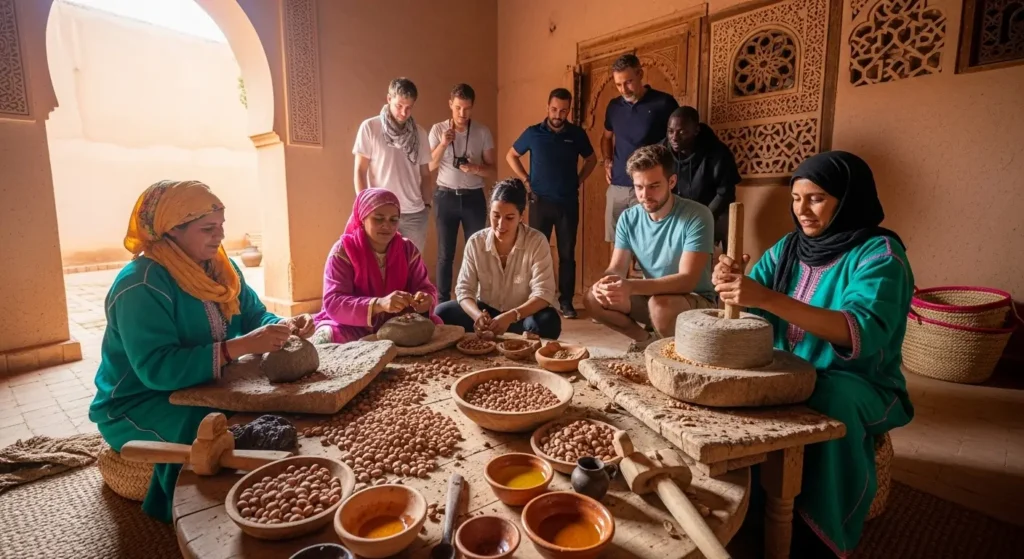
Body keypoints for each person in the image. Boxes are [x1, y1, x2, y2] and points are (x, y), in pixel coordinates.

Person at [712, 151, 914, 557]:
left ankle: (817, 532)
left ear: (847, 197)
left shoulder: (880, 256)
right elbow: (752, 304)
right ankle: (750, 504)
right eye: (795, 198)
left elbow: (860, 331)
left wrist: (766, 297)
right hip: (788, 368)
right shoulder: (791, 247)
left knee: (828, 400)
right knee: (729, 383)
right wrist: (733, 284)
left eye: (816, 198)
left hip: (855, 380)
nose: (801, 210)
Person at [89, 180, 314, 523]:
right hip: (140, 401)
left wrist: (283, 326)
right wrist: (238, 347)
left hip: (198, 385)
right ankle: (195, 519)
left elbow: (254, 316)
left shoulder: (220, 269)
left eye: (221, 227)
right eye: (207, 228)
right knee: (211, 431)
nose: (219, 236)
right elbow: (156, 368)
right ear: (170, 232)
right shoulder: (141, 285)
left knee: (270, 410)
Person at [585, 144, 716, 352]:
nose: (645, 194)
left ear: (671, 181)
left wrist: (630, 286)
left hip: (694, 302)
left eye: (654, 186)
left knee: (660, 306)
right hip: (652, 297)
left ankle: (675, 352)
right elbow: (616, 268)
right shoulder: (628, 218)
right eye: (639, 187)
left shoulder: (697, 215)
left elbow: (687, 280)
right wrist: (606, 283)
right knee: (592, 298)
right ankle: (646, 341)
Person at [507, 87, 597, 319]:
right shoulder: (533, 133)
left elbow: (591, 159)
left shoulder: (576, 134)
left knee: (567, 254)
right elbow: (511, 155)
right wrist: (526, 179)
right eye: (554, 109)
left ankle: (566, 302)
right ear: (548, 107)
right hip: (539, 202)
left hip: (567, 203)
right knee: (537, 253)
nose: (558, 115)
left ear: (569, 111)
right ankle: (535, 300)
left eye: (563, 111)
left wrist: (578, 180)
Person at [435, 178, 561, 339]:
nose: (501, 225)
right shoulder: (476, 242)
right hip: (487, 312)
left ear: (521, 216)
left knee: (548, 321)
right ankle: (483, 331)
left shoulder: (536, 241)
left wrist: (511, 316)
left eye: (509, 218)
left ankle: (520, 340)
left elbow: (544, 293)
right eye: (496, 216)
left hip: (520, 315)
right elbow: (464, 289)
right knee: (442, 313)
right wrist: (477, 316)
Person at [311, 188, 440, 344]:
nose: (387, 225)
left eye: (394, 220)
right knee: (327, 337)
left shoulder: (408, 250)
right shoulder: (344, 252)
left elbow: (425, 287)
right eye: (378, 219)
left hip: (399, 321)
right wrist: (378, 304)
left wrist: (426, 300)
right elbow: (334, 301)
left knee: (436, 325)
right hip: (355, 325)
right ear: (362, 218)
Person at [428, 83, 496, 303]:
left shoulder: (482, 131)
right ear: (450, 104)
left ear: (472, 107)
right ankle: (443, 303)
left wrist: (475, 168)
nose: (462, 113)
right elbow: (429, 165)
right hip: (445, 196)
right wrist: (443, 144)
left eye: (466, 108)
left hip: (473, 197)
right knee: (444, 254)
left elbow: (491, 168)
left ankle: (474, 301)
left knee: (476, 252)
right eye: (458, 108)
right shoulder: (438, 129)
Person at [600, 54, 679, 243]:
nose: (623, 89)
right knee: (616, 241)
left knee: (646, 242)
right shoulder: (613, 107)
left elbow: (676, 142)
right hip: (617, 186)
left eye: (628, 82)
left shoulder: (664, 103)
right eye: (618, 85)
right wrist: (607, 160)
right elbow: (606, 137)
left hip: (648, 187)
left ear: (640, 74)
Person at [353, 77, 432, 251]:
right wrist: (365, 207)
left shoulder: (420, 133)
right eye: (399, 106)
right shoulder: (370, 127)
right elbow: (360, 170)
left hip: (414, 214)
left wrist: (427, 205)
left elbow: (425, 173)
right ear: (389, 99)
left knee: (412, 270)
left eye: (409, 107)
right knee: (379, 268)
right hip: (380, 213)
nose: (404, 112)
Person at [662, 106, 741, 252]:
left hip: (711, 212)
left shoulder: (718, 153)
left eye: (682, 132)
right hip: (675, 214)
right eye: (670, 131)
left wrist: (702, 218)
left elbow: (725, 193)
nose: (674, 137)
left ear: (696, 131)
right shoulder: (662, 151)